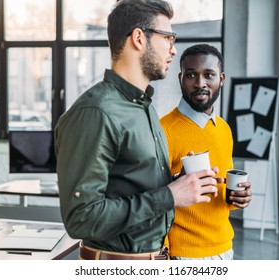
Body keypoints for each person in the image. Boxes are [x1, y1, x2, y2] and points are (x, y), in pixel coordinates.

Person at [54, 1, 219, 260]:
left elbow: (130, 186)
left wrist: (180, 183)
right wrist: (169, 196)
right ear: (139, 38)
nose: (173, 51)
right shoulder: (96, 112)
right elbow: (81, 219)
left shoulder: (143, 106)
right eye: (168, 38)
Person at [160, 44, 252, 260]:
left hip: (224, 250)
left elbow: (221, 191)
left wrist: (239, 197)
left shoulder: (224, 129)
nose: (200, 83)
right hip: (182, 255)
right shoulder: (162, 130)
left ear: (221, 78)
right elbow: (153, 198)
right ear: (181, 78)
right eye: (191, 75)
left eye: (208, 74)